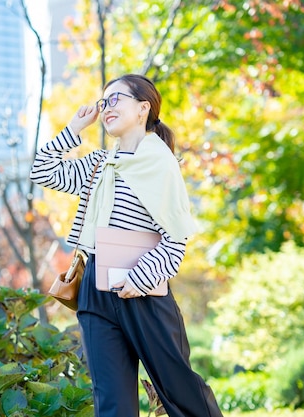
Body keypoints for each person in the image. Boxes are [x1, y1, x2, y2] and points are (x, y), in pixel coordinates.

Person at [30, 74, 223, 417]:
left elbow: (176, 239)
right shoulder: (99, 163)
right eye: (103, 102)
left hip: (143, 291)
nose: (106, 108)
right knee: (113, 404)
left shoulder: (160, 162)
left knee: (181, 391)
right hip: (94, 289)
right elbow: (42, 171)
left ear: (143, 108)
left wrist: (140, 277)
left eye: (116, 99)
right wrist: (74, 129)